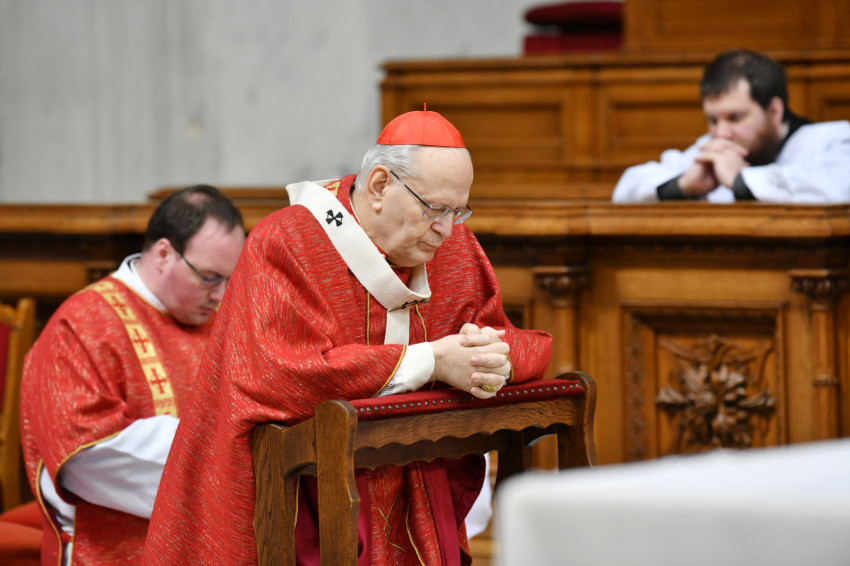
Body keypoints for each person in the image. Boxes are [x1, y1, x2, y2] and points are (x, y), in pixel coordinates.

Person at [141, 110, 554, 566]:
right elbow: (283, 375)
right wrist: (432, 361)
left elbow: (510, 337)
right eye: (434, 208)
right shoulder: (288, 242)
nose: (446, 228)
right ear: (379, 185)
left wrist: (494, 361)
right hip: (302, 498)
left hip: (410, 481)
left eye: (459, 211)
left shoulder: (453, 248)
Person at [20, 185, 246, 566]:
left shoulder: (222, 322)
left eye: (230, 279)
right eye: (209, 277)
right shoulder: (82, 325)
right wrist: (226, 452)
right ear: (163, 254)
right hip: (115, 551)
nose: (220, 295)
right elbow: (83, 455)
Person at [611, 49, 850, 203]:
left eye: (735, 118)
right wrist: (682, 185)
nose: (721, 133)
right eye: (713, 120)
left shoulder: (832, 140)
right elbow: (625, 190)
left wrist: (740, 180)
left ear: (775, 111)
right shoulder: (712, 150)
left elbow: (837, 188)